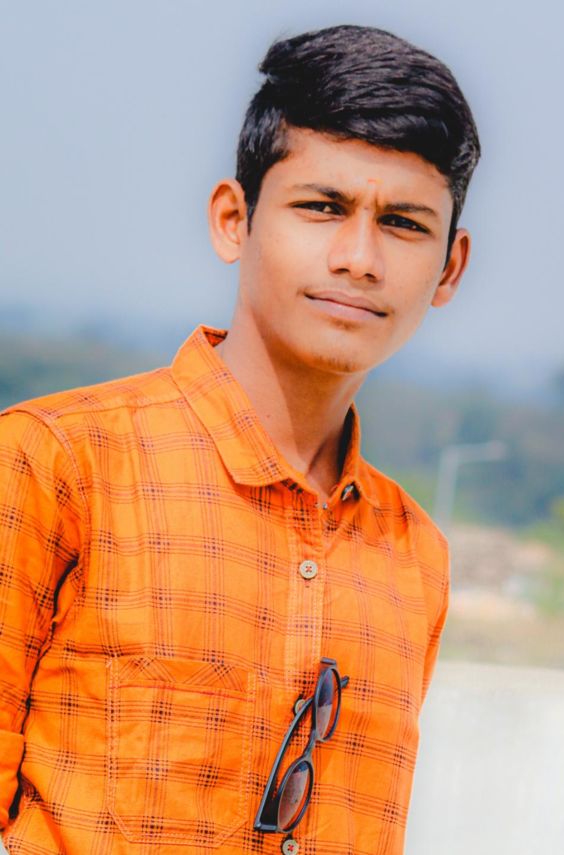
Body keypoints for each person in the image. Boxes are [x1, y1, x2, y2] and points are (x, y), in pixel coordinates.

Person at [0, 23, 480, 855]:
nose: (359, 257)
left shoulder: (413, 555)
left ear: (449, 268)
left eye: (403, 223)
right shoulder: (57, 463)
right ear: (234, 218)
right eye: (322, 207)